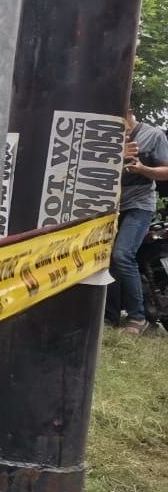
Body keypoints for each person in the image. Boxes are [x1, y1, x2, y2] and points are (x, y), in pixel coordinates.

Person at [106, 108, 168, 334]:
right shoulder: (106, 134)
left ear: (129, 109)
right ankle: (109, 317)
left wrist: (143, 169)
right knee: (106, 258)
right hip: (109, 206)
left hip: (140, 203)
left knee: (122, 254)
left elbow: (166, 171)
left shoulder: (153, 135)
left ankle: (137, 317)